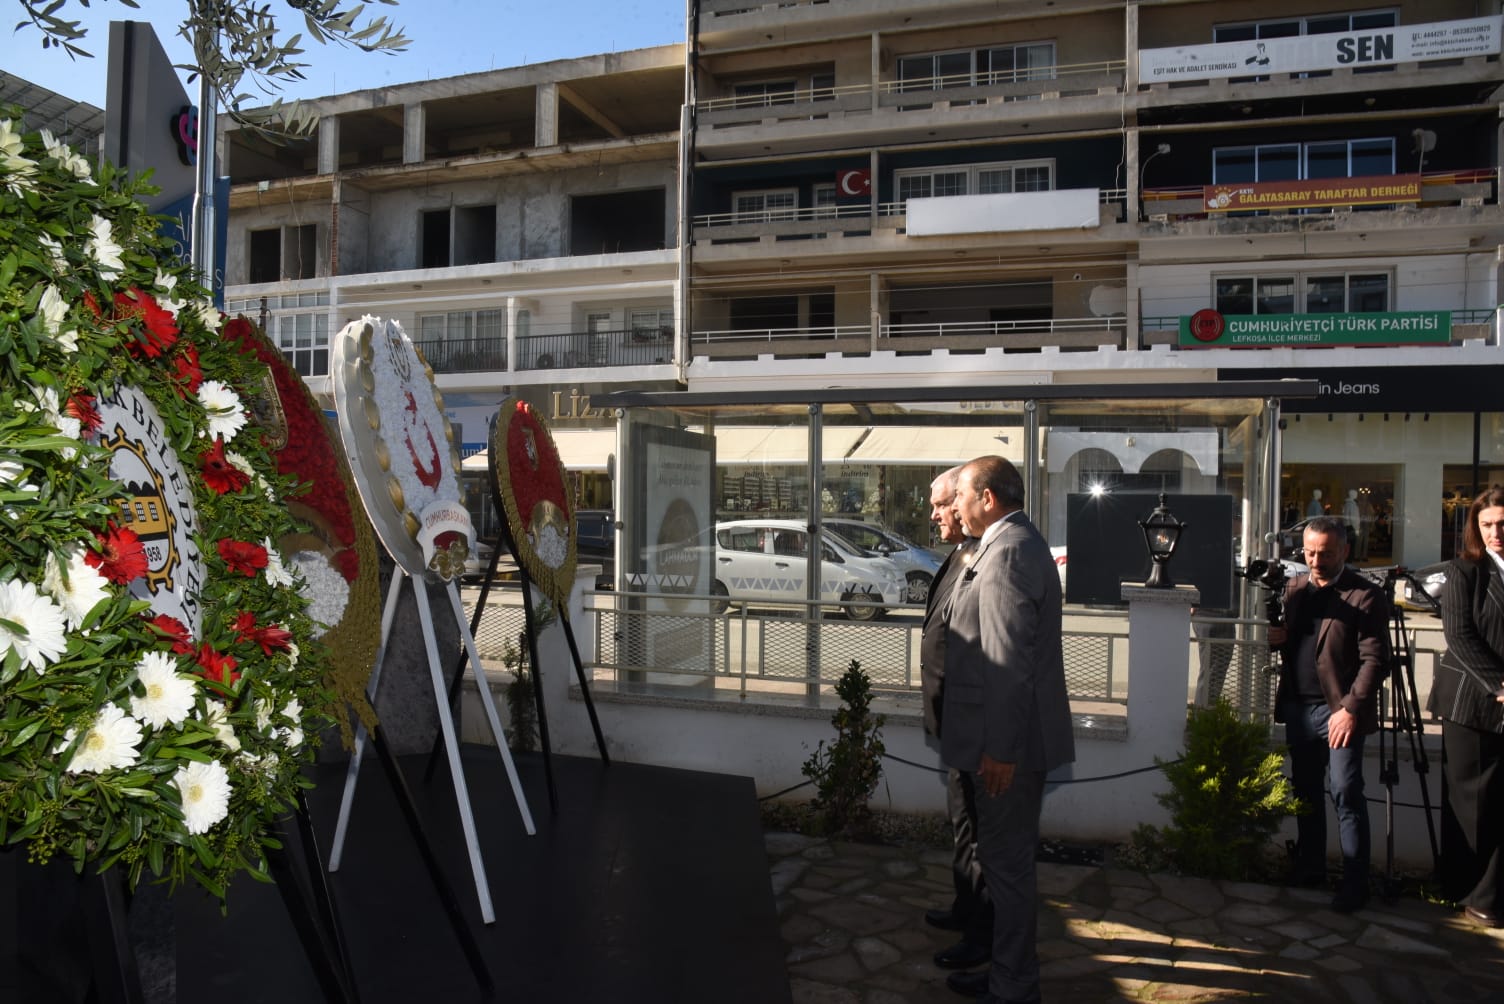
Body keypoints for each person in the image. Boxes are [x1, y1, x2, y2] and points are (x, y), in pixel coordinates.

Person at [940, 456, 1075, 1004]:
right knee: (1002, 868)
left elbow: (1006, 662)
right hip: (998, 741)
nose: (954, 506)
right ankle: (1006, 972)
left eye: (960, 496)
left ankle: (1014, 986)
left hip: (1003, 749)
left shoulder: (1009, 552)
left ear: (988, 498)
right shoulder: (1011, 543)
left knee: (1008, 872)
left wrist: (1000, 749)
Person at [1268, 516, 1390, 913]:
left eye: (1326, 553)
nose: (1317, 561)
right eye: (1310, 553)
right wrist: (1278, 639)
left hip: (1340, 712)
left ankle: (1355, 883)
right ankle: (1310, 868)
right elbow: (1297, 647)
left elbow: (1375, 660)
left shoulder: (1366, 595)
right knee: (1306, 791)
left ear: (1345, 551)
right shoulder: (1294, 589)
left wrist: (1350, 709)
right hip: (1299, 708)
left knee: (1345, 791)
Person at [918, 466, 991, 970]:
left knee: (979, 834)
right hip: (954, 725)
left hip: (974, 726)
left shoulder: (986, 558)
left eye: (941, 505)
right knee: (962, 824)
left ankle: (982, 936)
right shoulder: (960, 554)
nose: (935, 515)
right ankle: (966, 908)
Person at [1431, 487, 1504, 928]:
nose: (1496, 532)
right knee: (1474, 805)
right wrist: (1500, 685)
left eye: (1503, 523)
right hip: (1470, 706)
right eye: (1487, 524)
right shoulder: (1464, 572)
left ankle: (1492, 893)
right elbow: (1459, 635)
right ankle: (1470, 893)